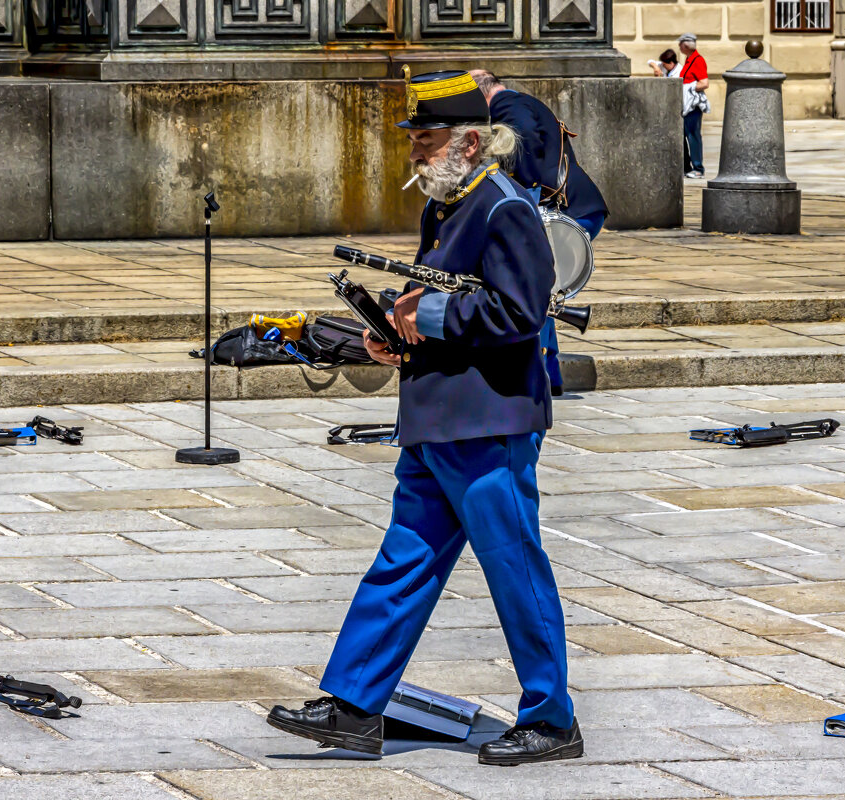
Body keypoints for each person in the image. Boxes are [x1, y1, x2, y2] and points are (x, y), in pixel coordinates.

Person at [266, 68, 583, 767]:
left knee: (514, 568)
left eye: (425, 137)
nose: (412, 150)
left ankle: (552, 718)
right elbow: (431, 301)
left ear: (471, 141)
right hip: (436, 415)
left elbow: (519, 313)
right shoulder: (447, 205)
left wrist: (429, 315)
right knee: (402, 563)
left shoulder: (504, 207)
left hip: (488, 421)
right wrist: (390, 329)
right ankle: (354, 706)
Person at [469, 69, 608, 397]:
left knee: (531, 289)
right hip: (576, 210)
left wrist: (523, 207)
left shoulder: (506, 107)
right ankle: (550, 375)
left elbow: (527, 143)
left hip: (567, 215)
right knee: (539, 291)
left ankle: (543, 375)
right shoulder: (518, 102)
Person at [677, 33, 710, 179]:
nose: (679, 47)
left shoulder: (698, 60)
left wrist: (688, 88)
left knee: (693, 136)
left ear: (685, 45)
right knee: (684, 136)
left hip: (693, 106)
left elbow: (704, 83)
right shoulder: (689, 60)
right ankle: (687, 167)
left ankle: (698, 168)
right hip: (686, 105)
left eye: (680, 44)